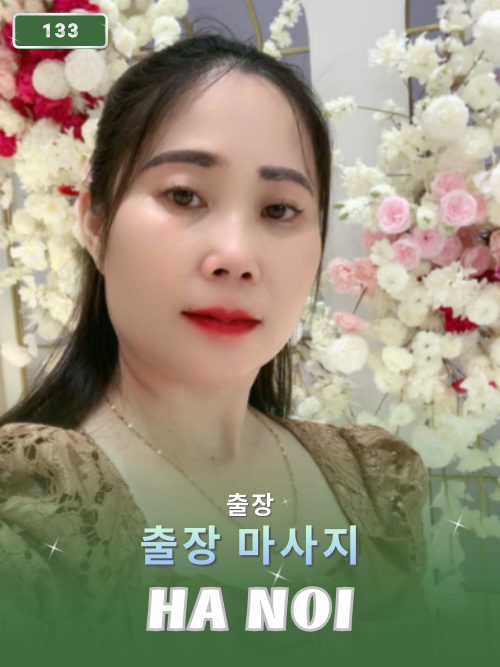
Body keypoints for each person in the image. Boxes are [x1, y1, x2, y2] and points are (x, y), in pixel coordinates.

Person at [0, 33, 437, 667]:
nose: (235, 255)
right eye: (184, 195)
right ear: (95, 224)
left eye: (279, 209)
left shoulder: (372, 483)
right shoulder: (34, 507)